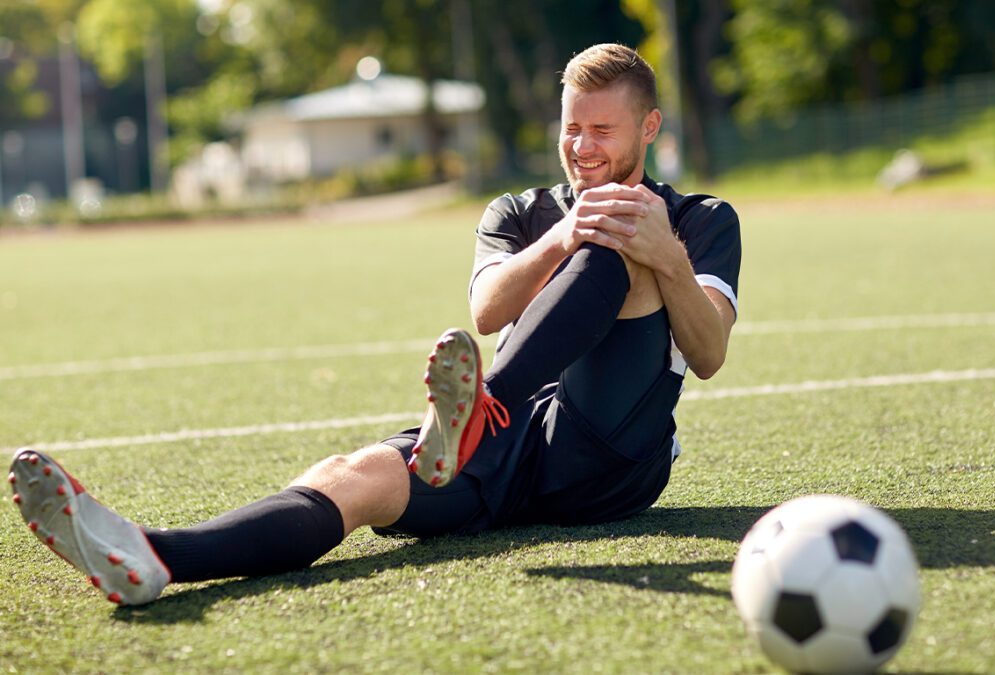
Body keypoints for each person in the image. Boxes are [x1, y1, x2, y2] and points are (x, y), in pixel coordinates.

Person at [8, 43, 741, 606]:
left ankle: (479, 414)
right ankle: (152, 555)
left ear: (649, 126)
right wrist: (560, 237)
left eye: (602, 131)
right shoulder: (517, 212)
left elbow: (707, 354)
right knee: (354, 477)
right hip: (506, 445)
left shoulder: (703, 220)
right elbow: (487, 310)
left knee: (626, 243)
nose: (582, 147)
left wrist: (666, 258)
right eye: (571, 129)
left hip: (607, 453)